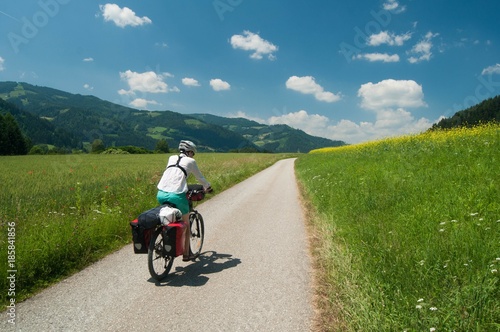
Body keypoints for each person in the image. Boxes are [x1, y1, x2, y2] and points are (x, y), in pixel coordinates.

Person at [156, 140, 212, 261]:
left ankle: (163, 239)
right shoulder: (191, 161)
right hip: (176, 195)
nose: (193, 156)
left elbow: (174, 175)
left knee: (168, 218)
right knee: (185, 225)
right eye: (193, 153)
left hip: (160, 193)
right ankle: (187, 254)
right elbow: (200, 177)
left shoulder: (171, 158)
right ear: (190, 152)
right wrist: (208, 187)